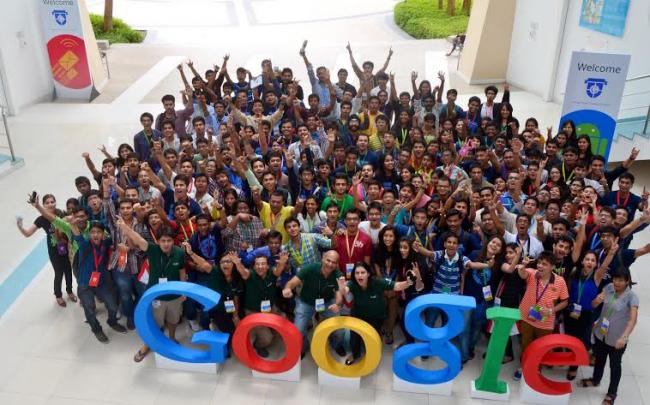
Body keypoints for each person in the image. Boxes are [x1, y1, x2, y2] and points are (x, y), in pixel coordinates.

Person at [118, 220, 186, 362]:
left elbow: (182, 271)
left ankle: (172, 338)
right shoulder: (152, 250)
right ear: (158, 241)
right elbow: (138, 239)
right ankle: (147, 345)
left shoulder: (179, 252)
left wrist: (183, 291)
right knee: (154, 323)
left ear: (173, 241)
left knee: (173, 320)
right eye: (163, 241)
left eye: (169, 241)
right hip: (156, 296)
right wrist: (125, 227)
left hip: (174, 296)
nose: (166, 244)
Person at [580, 268, 638, 405]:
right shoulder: (609, 287)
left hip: (617, 339)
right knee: (599, 359)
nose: (617, 283)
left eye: (621, 280)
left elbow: (632, 320)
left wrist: (624, 337)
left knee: (615, 365)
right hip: (601, 333)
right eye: (615, 279)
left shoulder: (632, 297)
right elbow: (594, 304)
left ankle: (612, 393)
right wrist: (597, 301)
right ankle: (595, 380)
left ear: (627, 281)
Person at [339, 262, 412, 365]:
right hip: (358, 315)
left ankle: (372, 353)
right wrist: (341, 287)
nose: (359, 275)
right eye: (357, 273)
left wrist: (409, 282)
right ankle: (355, 354)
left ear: (368, 274)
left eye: (363, 272)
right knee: (355, 337)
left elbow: (397, 286)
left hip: (376, 316)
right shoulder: (352, 283)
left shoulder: (378, 282)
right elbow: (344, 291)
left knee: (374, 338)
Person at [515, 251, 569, 379]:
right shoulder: (532, 274)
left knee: (541, 348)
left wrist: (551, 311)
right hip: (527, 317)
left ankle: (536, 368)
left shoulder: (560, 281)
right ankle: (523, 367)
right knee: (525, 344)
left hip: (545, 322)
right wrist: (523, 266)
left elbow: (565, 302)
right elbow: (522, 274)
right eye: (539, 263)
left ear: (552, 267)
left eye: (544, 264)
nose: (540, 266)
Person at [72, 219, 127, 342]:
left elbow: (116, 237)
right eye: (92, 232)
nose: (95, 235)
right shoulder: (85, 245)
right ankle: (96, 329)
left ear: (103, 234)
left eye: (98, 232)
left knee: (113, 305)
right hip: (85, 284)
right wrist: (72, 224)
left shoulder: (106, 243)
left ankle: (112, 322)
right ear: (89, 234)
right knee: (89, 309)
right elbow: (78, 236)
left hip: (102, 282)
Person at [282, 250, 345, 357]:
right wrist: (287, 288)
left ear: (337, 264)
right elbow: (292, 282)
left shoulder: (338, 275)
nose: (330, 264)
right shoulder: (310, 268)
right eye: (328, 260)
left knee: (339, 330)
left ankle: (336, 344)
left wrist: (337, 304)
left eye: (334, 262)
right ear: (322, 258)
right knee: (298, 330)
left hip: (327, 302)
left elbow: (339, 295)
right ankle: (303, 346)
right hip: (306, 301)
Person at [19, 194, 76, 307]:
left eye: (52, 202)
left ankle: (70, 291)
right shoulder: (41, 219)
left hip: (67, 247)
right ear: (43, 205)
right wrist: (20, 226)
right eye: (47, 203)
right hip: (54, 249)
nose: (50, 204)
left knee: (68, 270)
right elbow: (28, 234)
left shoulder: (61, 214)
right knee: (59, 272)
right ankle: (58, 295)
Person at [233, 251, 289, 358]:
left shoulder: (272, 273)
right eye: (257, 264)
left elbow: (278, 269)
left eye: (263, 264)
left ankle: (270, 330)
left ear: (268, 266)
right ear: (254, 266)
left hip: (270, 309)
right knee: (267, 339)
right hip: (253, 312)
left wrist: (282, 262)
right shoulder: (249, 275)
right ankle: (258, 345)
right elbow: (243, 271)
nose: (260, 266)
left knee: (283, 324)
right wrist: (237, 263)